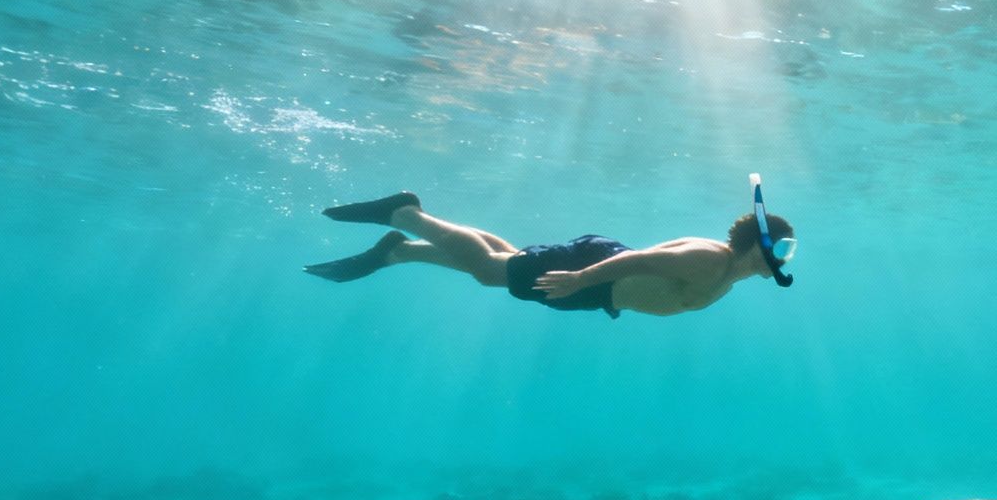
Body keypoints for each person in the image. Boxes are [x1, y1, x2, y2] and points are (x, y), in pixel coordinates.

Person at [303, 179, 795, 319]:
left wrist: (608, 296)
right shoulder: (711, 259)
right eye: (781, 248)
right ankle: (406, 214)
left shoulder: (729, 275)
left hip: (598, 290)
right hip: (592, 273)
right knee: (491, 270)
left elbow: (651, 282)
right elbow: (638, 261)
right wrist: (582, 279)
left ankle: (400, 251)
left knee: (504, 259)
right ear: (759, 244)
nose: (783, 261)